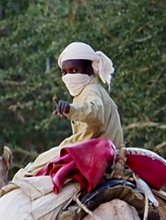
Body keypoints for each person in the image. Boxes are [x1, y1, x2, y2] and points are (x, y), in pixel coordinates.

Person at [14, 41, 124, 179]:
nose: (68, 77)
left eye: (74, 71)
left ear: (89, 71)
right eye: (64, 72)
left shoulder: (91, 90)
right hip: (92, 149)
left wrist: (71, 109)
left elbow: (96, 112)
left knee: (32, 170)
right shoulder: (83, 93)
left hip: (95, 151)